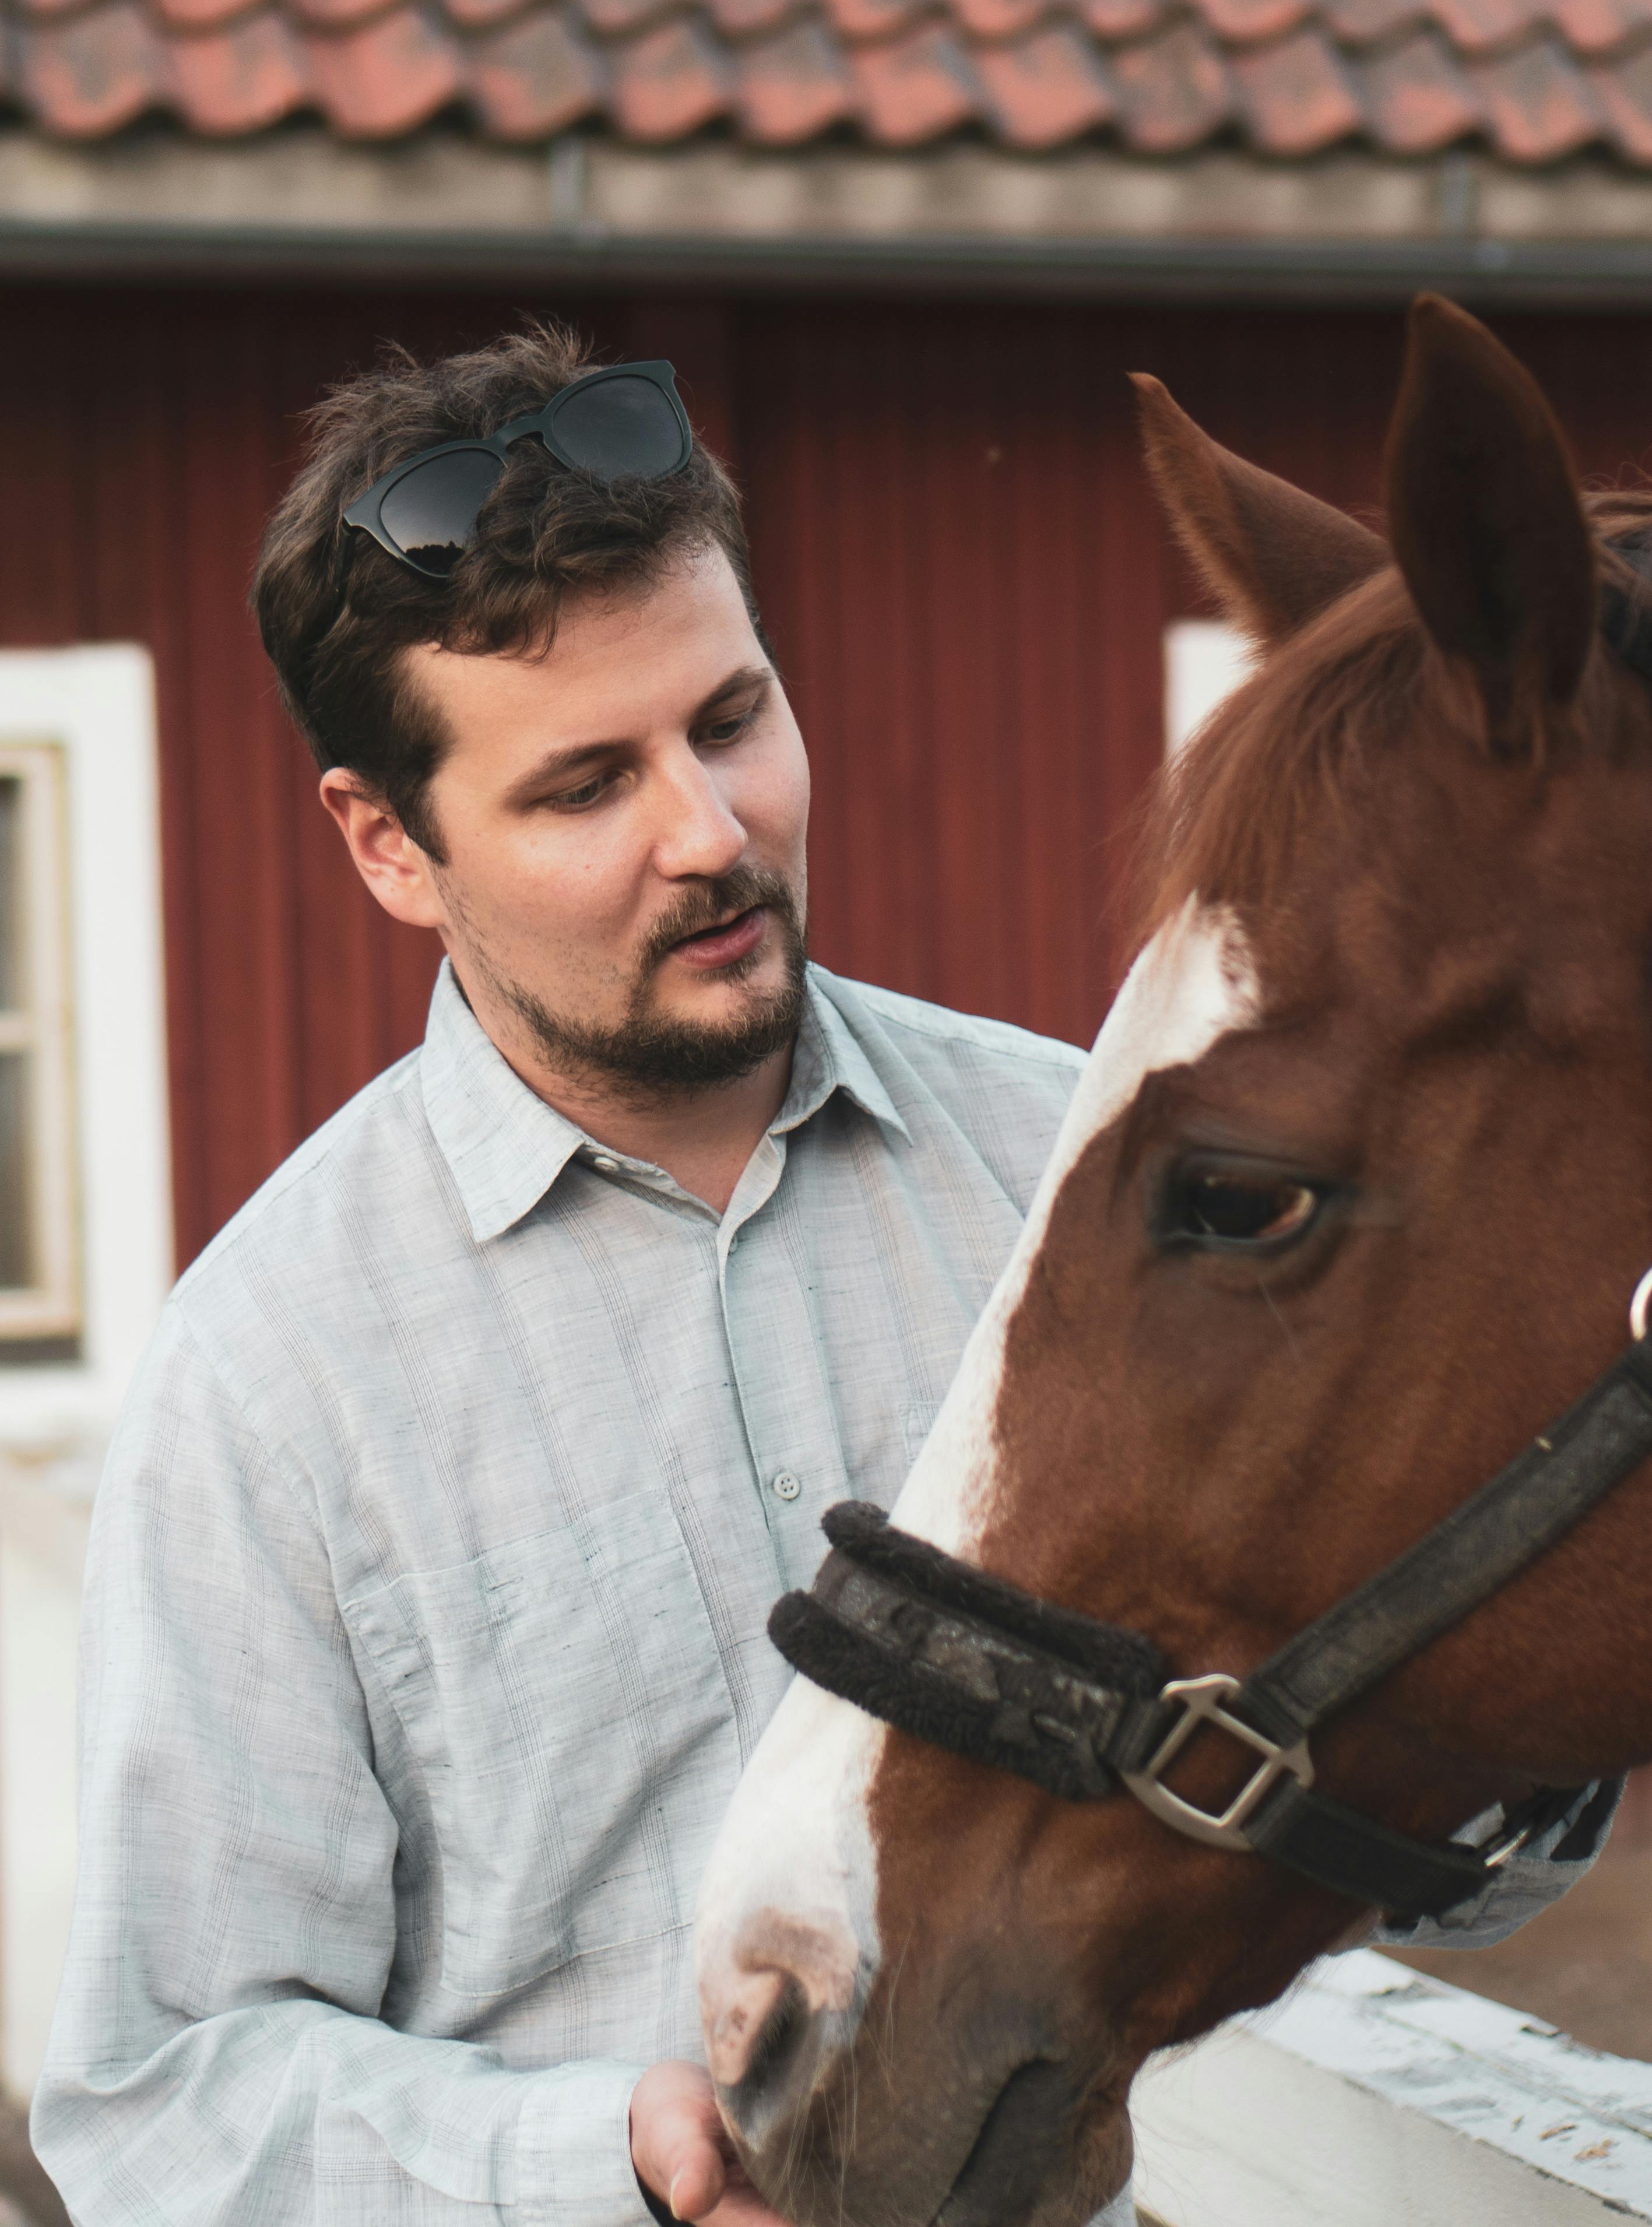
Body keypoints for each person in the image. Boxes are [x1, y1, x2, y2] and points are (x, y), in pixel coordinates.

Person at [34, 327, 1613, 2226]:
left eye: (728, 719)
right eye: (580, 787)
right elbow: (161, 2101)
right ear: (390, 845)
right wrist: (600, 2163)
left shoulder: (1081, 1171)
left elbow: (1407, 1800)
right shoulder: (271, 1378)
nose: (707, 835)